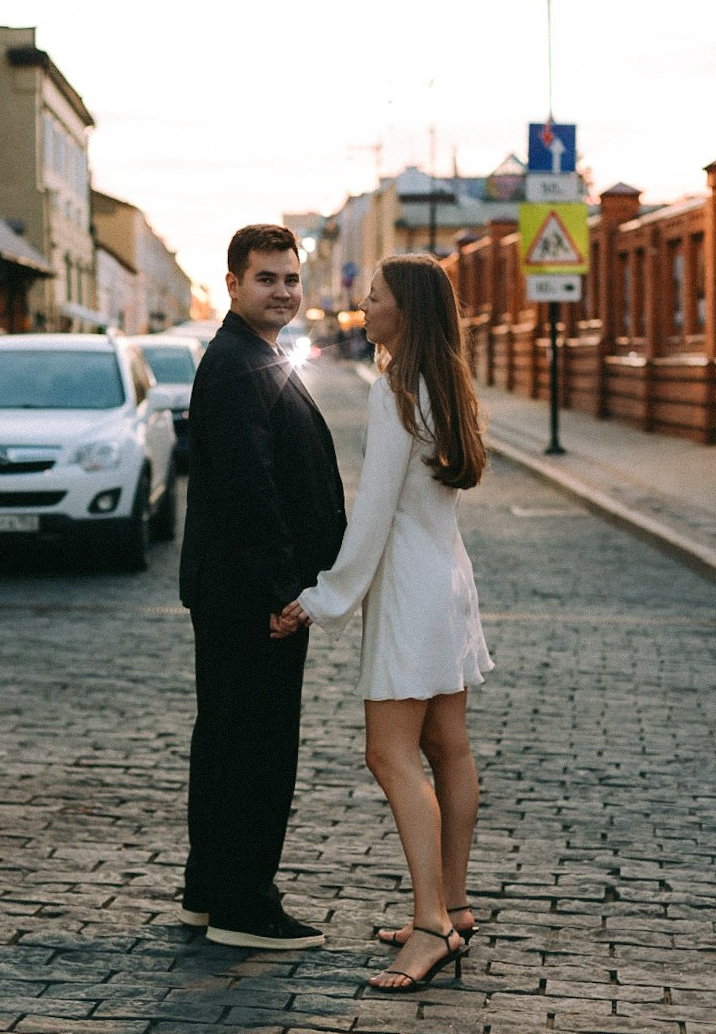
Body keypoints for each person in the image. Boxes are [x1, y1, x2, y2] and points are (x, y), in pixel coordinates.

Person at [284, 254, 493, 992]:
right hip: (447, 580)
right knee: (448, 745)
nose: (361, 308)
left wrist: (321, 599)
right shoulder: (446, 380)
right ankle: (455, 905)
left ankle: (431, 925)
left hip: (409, 588)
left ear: (403, 310)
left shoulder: (396, 391)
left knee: (389, 754)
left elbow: (370, 516)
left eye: (372, 298)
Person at [179, 224, 346, 949]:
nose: (282, 291)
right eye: (266, 278)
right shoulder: (239, 363)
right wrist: (285, 590)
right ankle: (245, 906)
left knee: (223, 739)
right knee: (256, 747)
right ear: (233, 285)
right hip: (253, 597)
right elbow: (251, 489)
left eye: (290, 278)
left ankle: (208, 890)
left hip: (234, 591)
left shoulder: (250, 355)